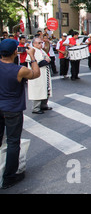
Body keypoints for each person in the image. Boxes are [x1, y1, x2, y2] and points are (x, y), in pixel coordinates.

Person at [0, 39, 40, 189]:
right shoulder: (19, 70)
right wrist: (32, 56)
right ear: (15, 52)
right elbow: (36, 73)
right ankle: (9, 177)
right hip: (12, 109)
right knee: (12, 142)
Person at [26, 37, 53, 114]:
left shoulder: (41, 51)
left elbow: (48, 59)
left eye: (41, 43)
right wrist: (45, 61)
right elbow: (35, 63)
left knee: (45, 89)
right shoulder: (33, 51)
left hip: (44, 74)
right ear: (34, 44)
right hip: (37, 75)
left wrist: (47, 60)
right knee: (38, 91)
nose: (41, 44)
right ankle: (36, 108)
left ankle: (44, 105)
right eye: (39, 43)